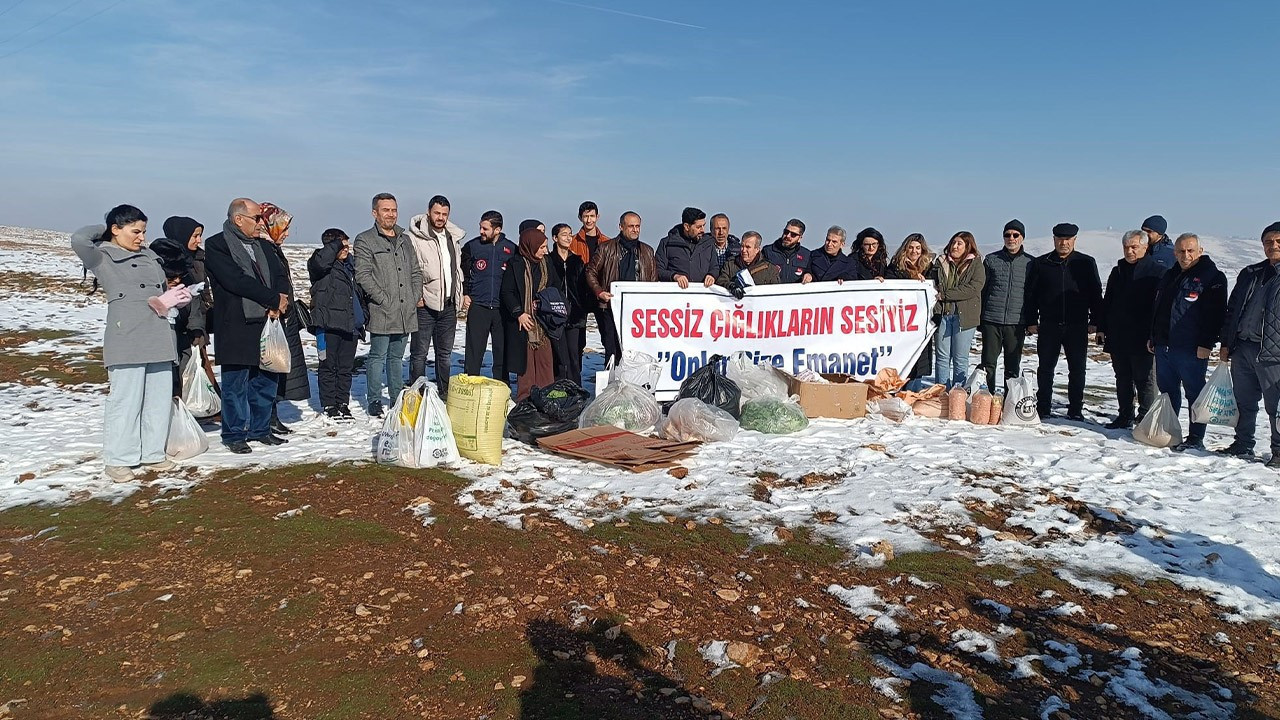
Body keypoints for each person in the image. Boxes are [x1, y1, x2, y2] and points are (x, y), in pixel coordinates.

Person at [72, 205, 185, 480]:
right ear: (116, 230)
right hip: (127, 336)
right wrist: (106, 228)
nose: (141, 237)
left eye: (144, 231)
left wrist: (172, 301)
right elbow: (78, 239)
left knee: (158, 399)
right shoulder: (102, 257)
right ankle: (119, 459)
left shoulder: (150, 256)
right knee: (126, 400)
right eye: (135, 231)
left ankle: (153, 453)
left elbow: (160, 291)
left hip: (158, 332)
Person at [204, 198, 291, 452]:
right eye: (257, 218)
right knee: (236, 384)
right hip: (235, 324)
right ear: (238, 218)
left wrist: (279, 301)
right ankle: (234, 435)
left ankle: (260, 429)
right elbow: (235, 281)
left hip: (267, 321)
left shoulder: (262, 246)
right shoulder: (217, 245)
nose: (260, 223)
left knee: (265, 381)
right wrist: (272, 298)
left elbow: (279, 275)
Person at [1148, 233, 1228, 451]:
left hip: (1191, 348)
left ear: (1200, 251)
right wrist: (1154, 337)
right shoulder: (1169, 275)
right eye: (1181, 251)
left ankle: (1195, 438)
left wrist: (1207, 343)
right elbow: (1159, 309)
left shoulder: (1211, 277)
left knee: (1194, 393)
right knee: (1167, 392)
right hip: (1164, 345)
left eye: (1190, 251)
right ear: (1175, 253)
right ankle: (1170, 431)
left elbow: (1216, 314)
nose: (1186, 255)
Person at [354, 193, 423, 418]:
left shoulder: (405, 239)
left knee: (396, 357)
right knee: (377, 356)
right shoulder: (365, 240)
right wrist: (383, 298)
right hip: (382, 310)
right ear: (375, 213)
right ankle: (374, 399)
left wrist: (414, 296)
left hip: (406, 310)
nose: (390, 214)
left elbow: (415, 271)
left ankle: (396, 397)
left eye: (393, 210)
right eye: (386, 210)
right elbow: (363, 275)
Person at [1025, 223, 1103, 421]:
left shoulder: (1085, 263)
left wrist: (1095, 321)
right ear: (1053, 240)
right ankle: (1043, 407)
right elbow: (1031, 295)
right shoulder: (1042, 263)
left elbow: (1095, 294)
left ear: (1074, 240)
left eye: (1068, 239)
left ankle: (1075, 409)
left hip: (1077, 325)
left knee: (1077, 369)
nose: (1063, 243)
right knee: (1045, 368)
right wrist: (1032, 320)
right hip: (1049, 324)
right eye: (1060, 239)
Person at [1220, 222, 1280, 464]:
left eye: (1278, 241)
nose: (1273, 246)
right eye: (1268, 242)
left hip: (1274, 353)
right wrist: (1226, 342)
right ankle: (1243, 443)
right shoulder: (1251, 273)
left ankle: (1278, 450)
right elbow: (1232, 308)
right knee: (1244, 401)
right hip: (1243, 347)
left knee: (1275, 407)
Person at [1096, 231, 1158, 428]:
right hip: (1119, 335)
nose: (1129, 251)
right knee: (1122, 378)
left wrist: (1154, 335)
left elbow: (1159, 308)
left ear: (1144, 247)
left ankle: (1146, 417)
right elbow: (1108, 302)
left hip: (1142, 337)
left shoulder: (1157, 272)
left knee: (1145, 379)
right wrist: (1102, 327)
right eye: (1126, 247)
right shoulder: (1118, 271)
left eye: (1134, 247)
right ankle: (1125, 415)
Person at [406, 194, 465, 399]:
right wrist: (417, 296)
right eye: (437, 213)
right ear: (428, 212)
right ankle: (417, 393)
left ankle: (444, 392)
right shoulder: (415, 237)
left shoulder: (452, 237)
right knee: (419, 353)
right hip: (425, 304)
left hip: (448, 304)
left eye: (444, 214)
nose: (440, 217)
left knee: (445, 355)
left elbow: (455, 269)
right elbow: (410, 270)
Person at [259, 203, 310, 434]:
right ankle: (265, 419)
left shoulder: (271, 247)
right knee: (268, 369)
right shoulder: (262, 248)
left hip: (281, 317)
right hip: (269, 319)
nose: (288, 233)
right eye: (284, 227)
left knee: (276, 370)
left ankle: (271, 417)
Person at [308, 228, 365, 420]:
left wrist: (363, 315)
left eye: (348, 246)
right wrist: (336, 244)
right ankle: (329, 404)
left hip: (350, 325)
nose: (346, 249)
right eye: (342, 246)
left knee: (345, 368)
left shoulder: (351, 266)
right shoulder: (319, 264)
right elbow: (321, 262)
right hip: (328, 325)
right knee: (328, 366)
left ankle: (342, 402)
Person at [586, 211, 656, 364]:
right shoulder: (606, 248)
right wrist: (599, 292)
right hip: (611, 307)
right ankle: (612, 384)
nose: (635, 230)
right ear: (621, 227)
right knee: (612, 350)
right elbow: (590, 272)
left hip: (639, 311)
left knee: (637, 351)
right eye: (631, 226)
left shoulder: (647, 251)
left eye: (638, 226)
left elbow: (653, 280)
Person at [461, 210, 517, 381]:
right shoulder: (472, 247)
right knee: (474, 352)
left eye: (485, 229)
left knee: (501, 352)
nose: (481, 232)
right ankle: (470, 386)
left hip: (501, 309)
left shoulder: (511, 249)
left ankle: (502, 389)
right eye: (480, 227)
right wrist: (465, 293)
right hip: (478, 305)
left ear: (497, 229)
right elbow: (462, 271)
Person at [978, 220, 1033, 393]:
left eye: (1015, 235)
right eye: (1007, 235)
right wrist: (980, 318)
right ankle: (987, 399)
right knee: (988, 363)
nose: (1011, 238)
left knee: (1012, 365)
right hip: (991, 319)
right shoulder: (991, 260)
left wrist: (1031, 321)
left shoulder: (1031, 263)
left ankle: (1010, 402)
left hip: (1016, 322)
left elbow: (1033, 295)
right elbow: (982, 290)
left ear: (1022, 238)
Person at [502, 228, 557, 401]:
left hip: (543, 322)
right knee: (525, 367)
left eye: (545, 247)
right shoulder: (516, 264)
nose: (545, 251)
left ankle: (546, 398)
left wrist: (543, 303)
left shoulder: (547, 263)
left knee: (545, 364)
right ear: (530, 246)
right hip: (523, 322)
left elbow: (555, 288)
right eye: (541, 247)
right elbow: (507, 292)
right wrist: (519, 313)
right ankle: (525, 400)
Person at [148, 233, 204, 397]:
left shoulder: (183, 282)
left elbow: (194, 306)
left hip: (181, 341)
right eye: (172, 276)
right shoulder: (145, 286)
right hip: (155, 351)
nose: (178, 280)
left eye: (180, 276)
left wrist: (196, 328)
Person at [929, 232, 986, 387]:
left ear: (968, 246)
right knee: (942, 357)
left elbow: (973, 288)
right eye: (953, 242)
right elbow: (931, 283)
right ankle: (941, 394)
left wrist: (945, 295)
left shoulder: (976, 264)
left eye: (959, 243)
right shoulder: (940, 263)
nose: (955, 246)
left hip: (965, 318)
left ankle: (958, 396)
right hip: (943, 315)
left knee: (960, 358)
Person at [886, 233, 935, 384]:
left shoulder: (929, 268)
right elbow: (890, 287)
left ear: (923, 250)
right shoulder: (895, 267)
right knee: (901, 356)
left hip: (921, 320)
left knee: (919, 357)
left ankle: (915, 389)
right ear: (905, 249)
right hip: (901, 320)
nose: (914, 251)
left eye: (918, 248)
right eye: (911, 248)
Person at [546, 223, 588, 384]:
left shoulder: (577, 261)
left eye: (570, 234)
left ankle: (576, 390)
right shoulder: (548, 260)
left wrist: (582, 309)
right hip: (555, 316)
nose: (568, 237)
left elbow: (583, 288)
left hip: (575, 316)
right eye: (564, 234)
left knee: (574, 356)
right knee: (558, 356)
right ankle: (559, 387)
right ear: (555, 238)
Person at [656, 207, 707, 289]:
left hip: (703, 297)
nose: (703, 230)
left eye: (704, 225)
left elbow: (714, 267)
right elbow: (658, 270)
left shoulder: (708, 243)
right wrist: (674, 276)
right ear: (687, 227)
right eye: (698, 227)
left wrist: (712, 275)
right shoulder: (667, 243)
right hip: (675, 297)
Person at [717, 231, 780, 296]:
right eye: (742, 246)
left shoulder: (769, 269)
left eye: (748, 247)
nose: (743, 250)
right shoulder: (730, 264)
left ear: (757, 249)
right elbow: (721, 281)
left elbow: (776, 292)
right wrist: (731, 286)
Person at [691, 212, 740, 285]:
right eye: (717, 228)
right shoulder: (701, 248)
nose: (721, 232)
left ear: (728, 229)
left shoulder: (738, 250)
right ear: (711, 230)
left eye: (724, 228)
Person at [763, 219, 809, 283]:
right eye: (786, 232)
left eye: (793, 234)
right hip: (773, 291)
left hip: (796, 292)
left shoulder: (806, 255)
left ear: (800, 238)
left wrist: (809, 275)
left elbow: (812, 273)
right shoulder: (767, 251)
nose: (788, 236)